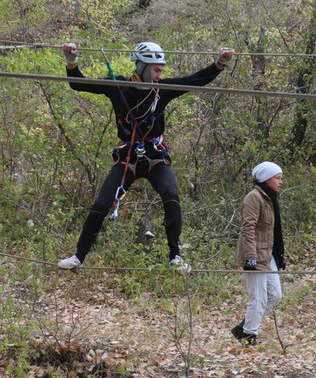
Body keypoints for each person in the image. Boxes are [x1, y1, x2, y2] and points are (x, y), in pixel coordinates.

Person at [57, 41, 235, 272]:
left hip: (155, 156)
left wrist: (220, 63)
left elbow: (195, 80)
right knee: (101, 204)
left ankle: (175, 257)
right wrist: (71, 62)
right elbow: (79, 84)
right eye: (157, 70)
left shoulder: (163, 90)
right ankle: (78, 257)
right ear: (142, 67)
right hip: (128, 156)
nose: (160, 75)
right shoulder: (118, 85)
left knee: (171, 197)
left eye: (162, 71)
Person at [232, 161, 286, 345]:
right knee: (259, 297)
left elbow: (272, 231)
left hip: (268, 254)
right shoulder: (254, 197)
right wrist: (250, 257)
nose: (281, 182)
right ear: (266, 179)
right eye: (277, 178)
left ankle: (245, 326)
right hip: (254, 255)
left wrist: (279, 255)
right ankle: (249, 336)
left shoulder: (270, 198)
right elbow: (248, 228)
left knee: (275, 295)